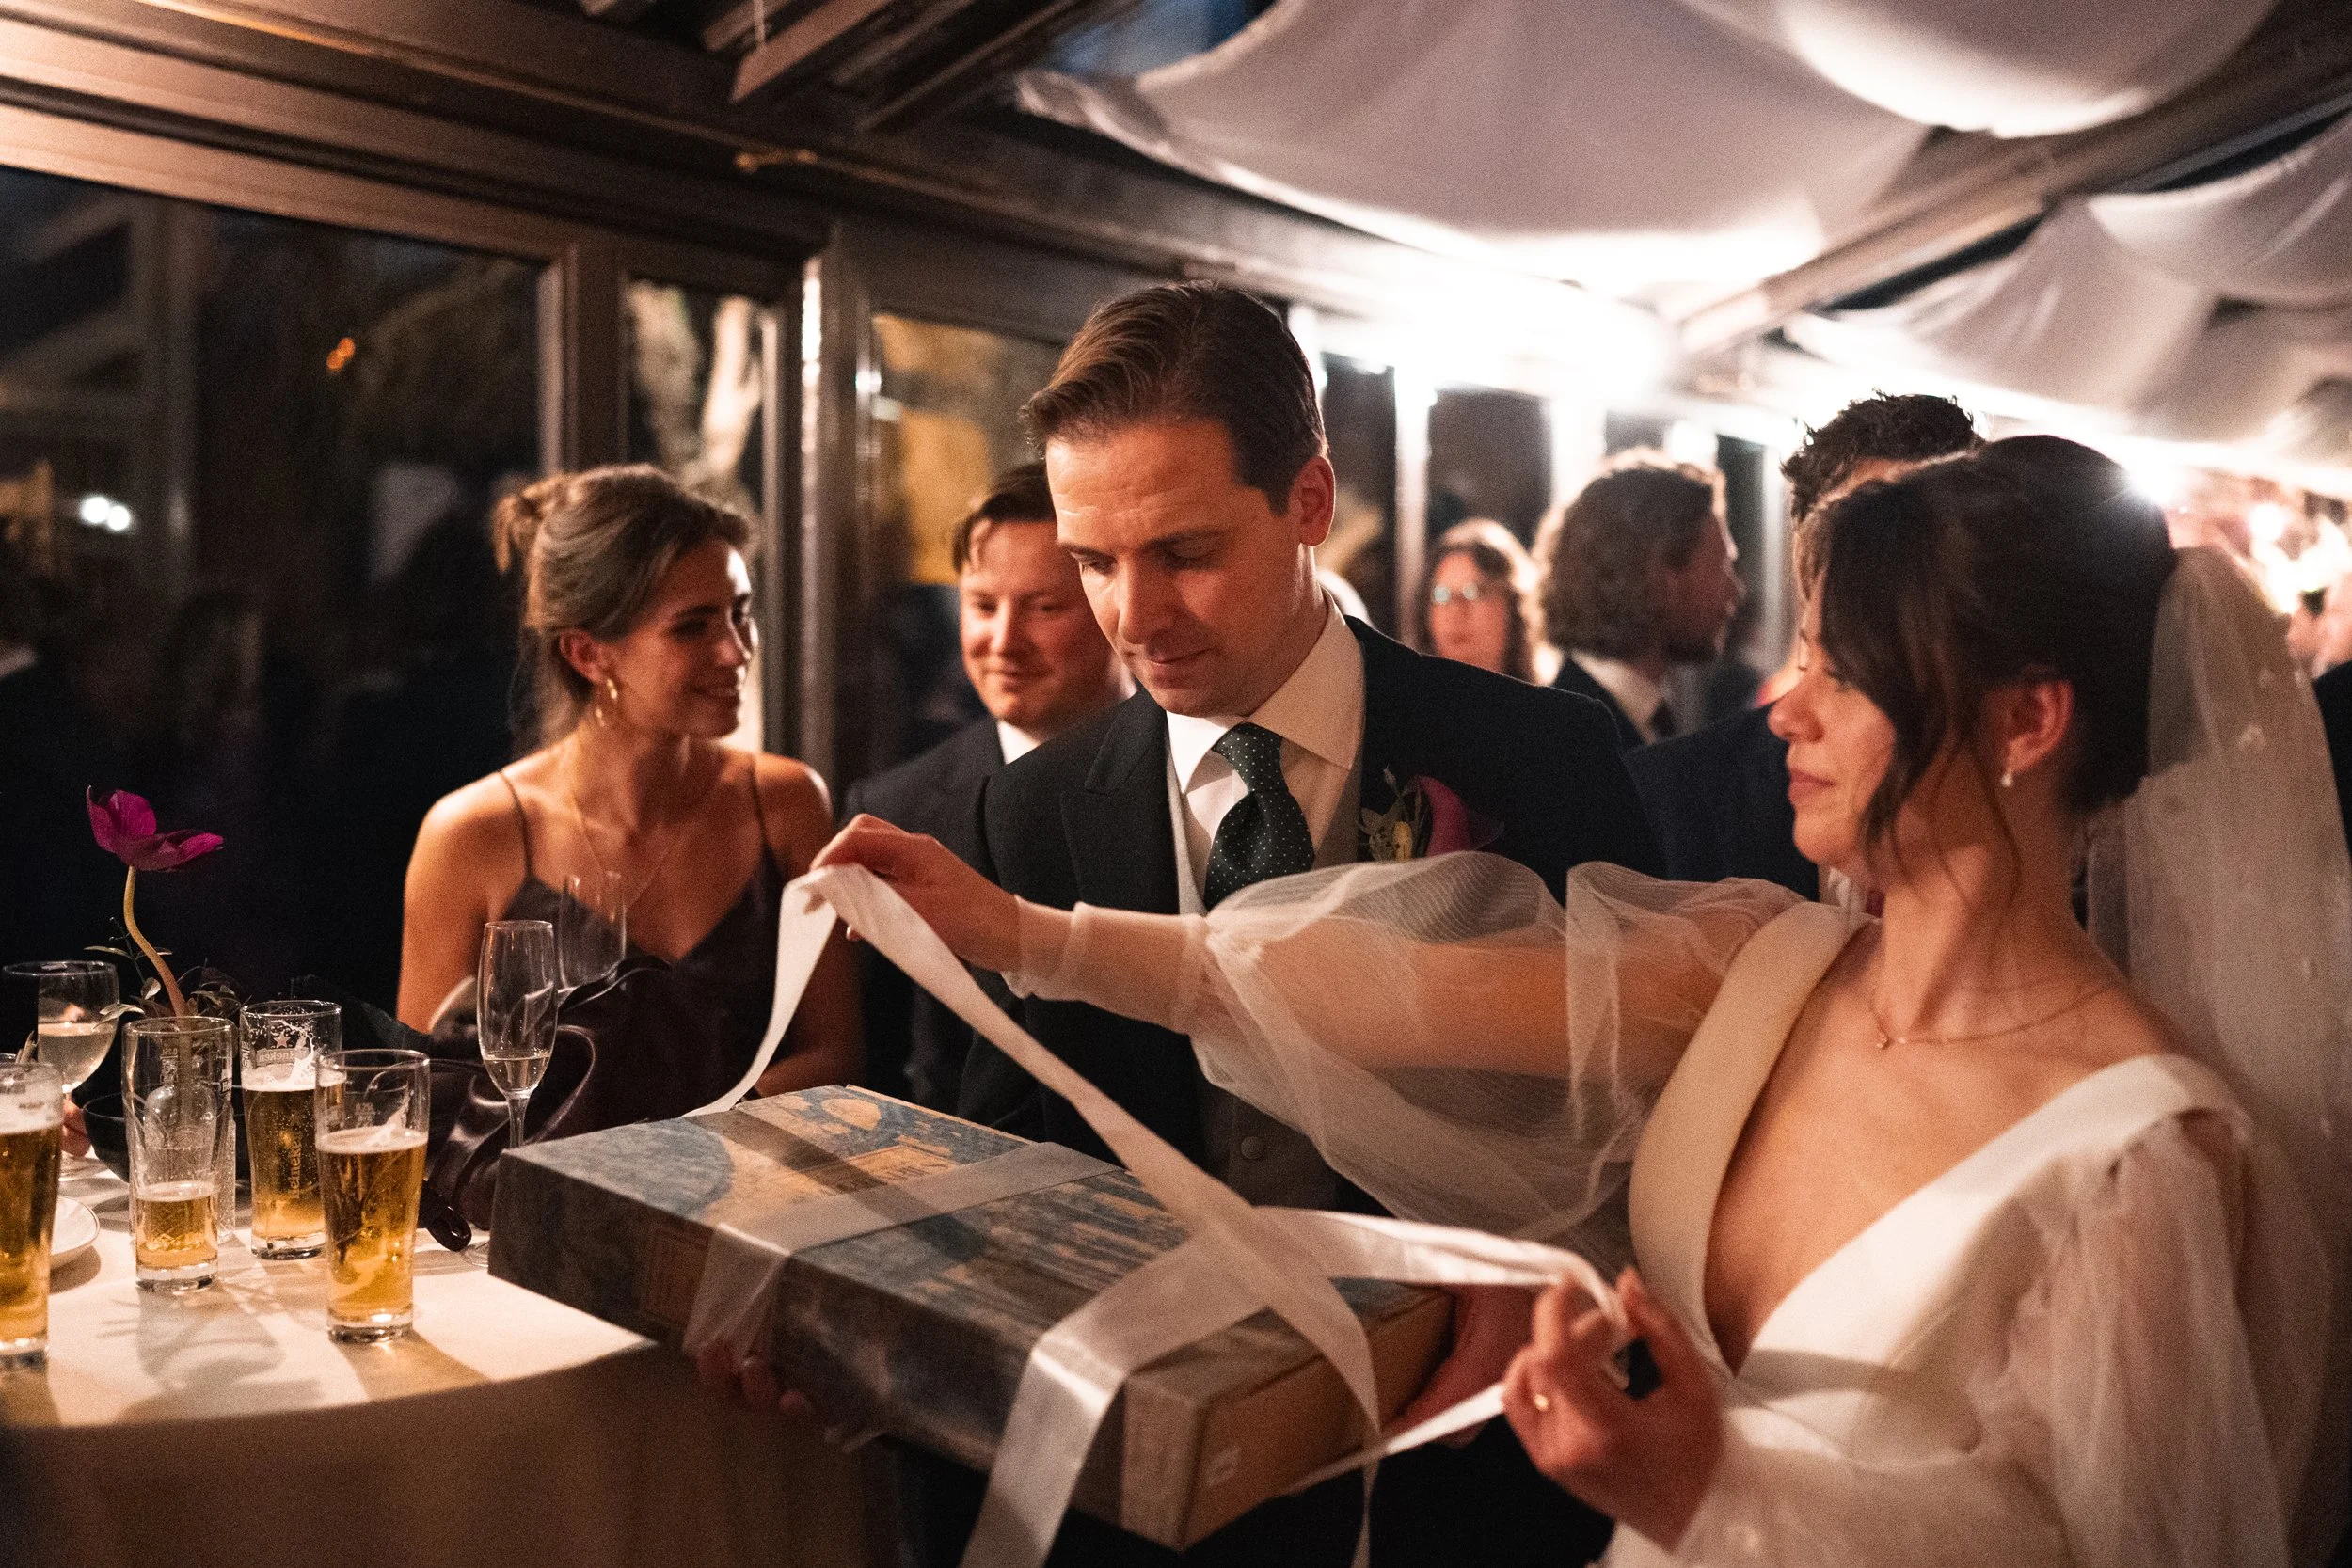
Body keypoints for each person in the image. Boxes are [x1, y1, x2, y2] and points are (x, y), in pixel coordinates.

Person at [819, 436, 2350, 1567]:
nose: (1787, 709)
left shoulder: (2144, 1153)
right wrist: (1029, 933)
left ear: (2028, 719)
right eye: (1800, 655)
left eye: (1845, 672)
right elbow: (1394, 986)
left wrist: (1717, 1488)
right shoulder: (1770, 965)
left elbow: (2095, 1546)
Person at [944, 280, 1658, 1566]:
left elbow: (1645, 1106)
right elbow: (1019, 1152)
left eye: (1185, 553)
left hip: (1468, 1473)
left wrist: (1540, 1280)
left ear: (1310, 501)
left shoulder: (1535, 755)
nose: (1133, 617)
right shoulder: (1033, 808)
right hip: (1160, 1493)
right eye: (1094, 562)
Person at [398, 465, 856, 1096]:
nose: (737, 650)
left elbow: (835, 1057)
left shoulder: (784, 803)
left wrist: (687, 1143)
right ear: (587, 653)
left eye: (740, 613)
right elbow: (424, 1092)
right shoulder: (473, 835)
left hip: (754, 1163)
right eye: (693, 625)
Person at [844, 462, 1125, 1110]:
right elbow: (877, 1069)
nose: (1004, 642)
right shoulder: (894, 808)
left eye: (1045, 607)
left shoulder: (1194, 771)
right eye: (982, 605)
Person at [1626, 394, 1982, 897]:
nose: (1894, 566)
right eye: (1865, 530)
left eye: (1925, 539)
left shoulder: (2026, 802)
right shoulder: (1673, 796)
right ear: (1805, 553)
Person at [1537, 457, 1745, 749]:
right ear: (1663, 578)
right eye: (1722, 565)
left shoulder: (1634, 716)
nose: (1736, 591)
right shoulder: (1564, 739)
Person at [1414, 517, 1544, 682]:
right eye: (1441, 595)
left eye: (1473, 593)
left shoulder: (1552, 696)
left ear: (1514, 605)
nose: (1455, 610)